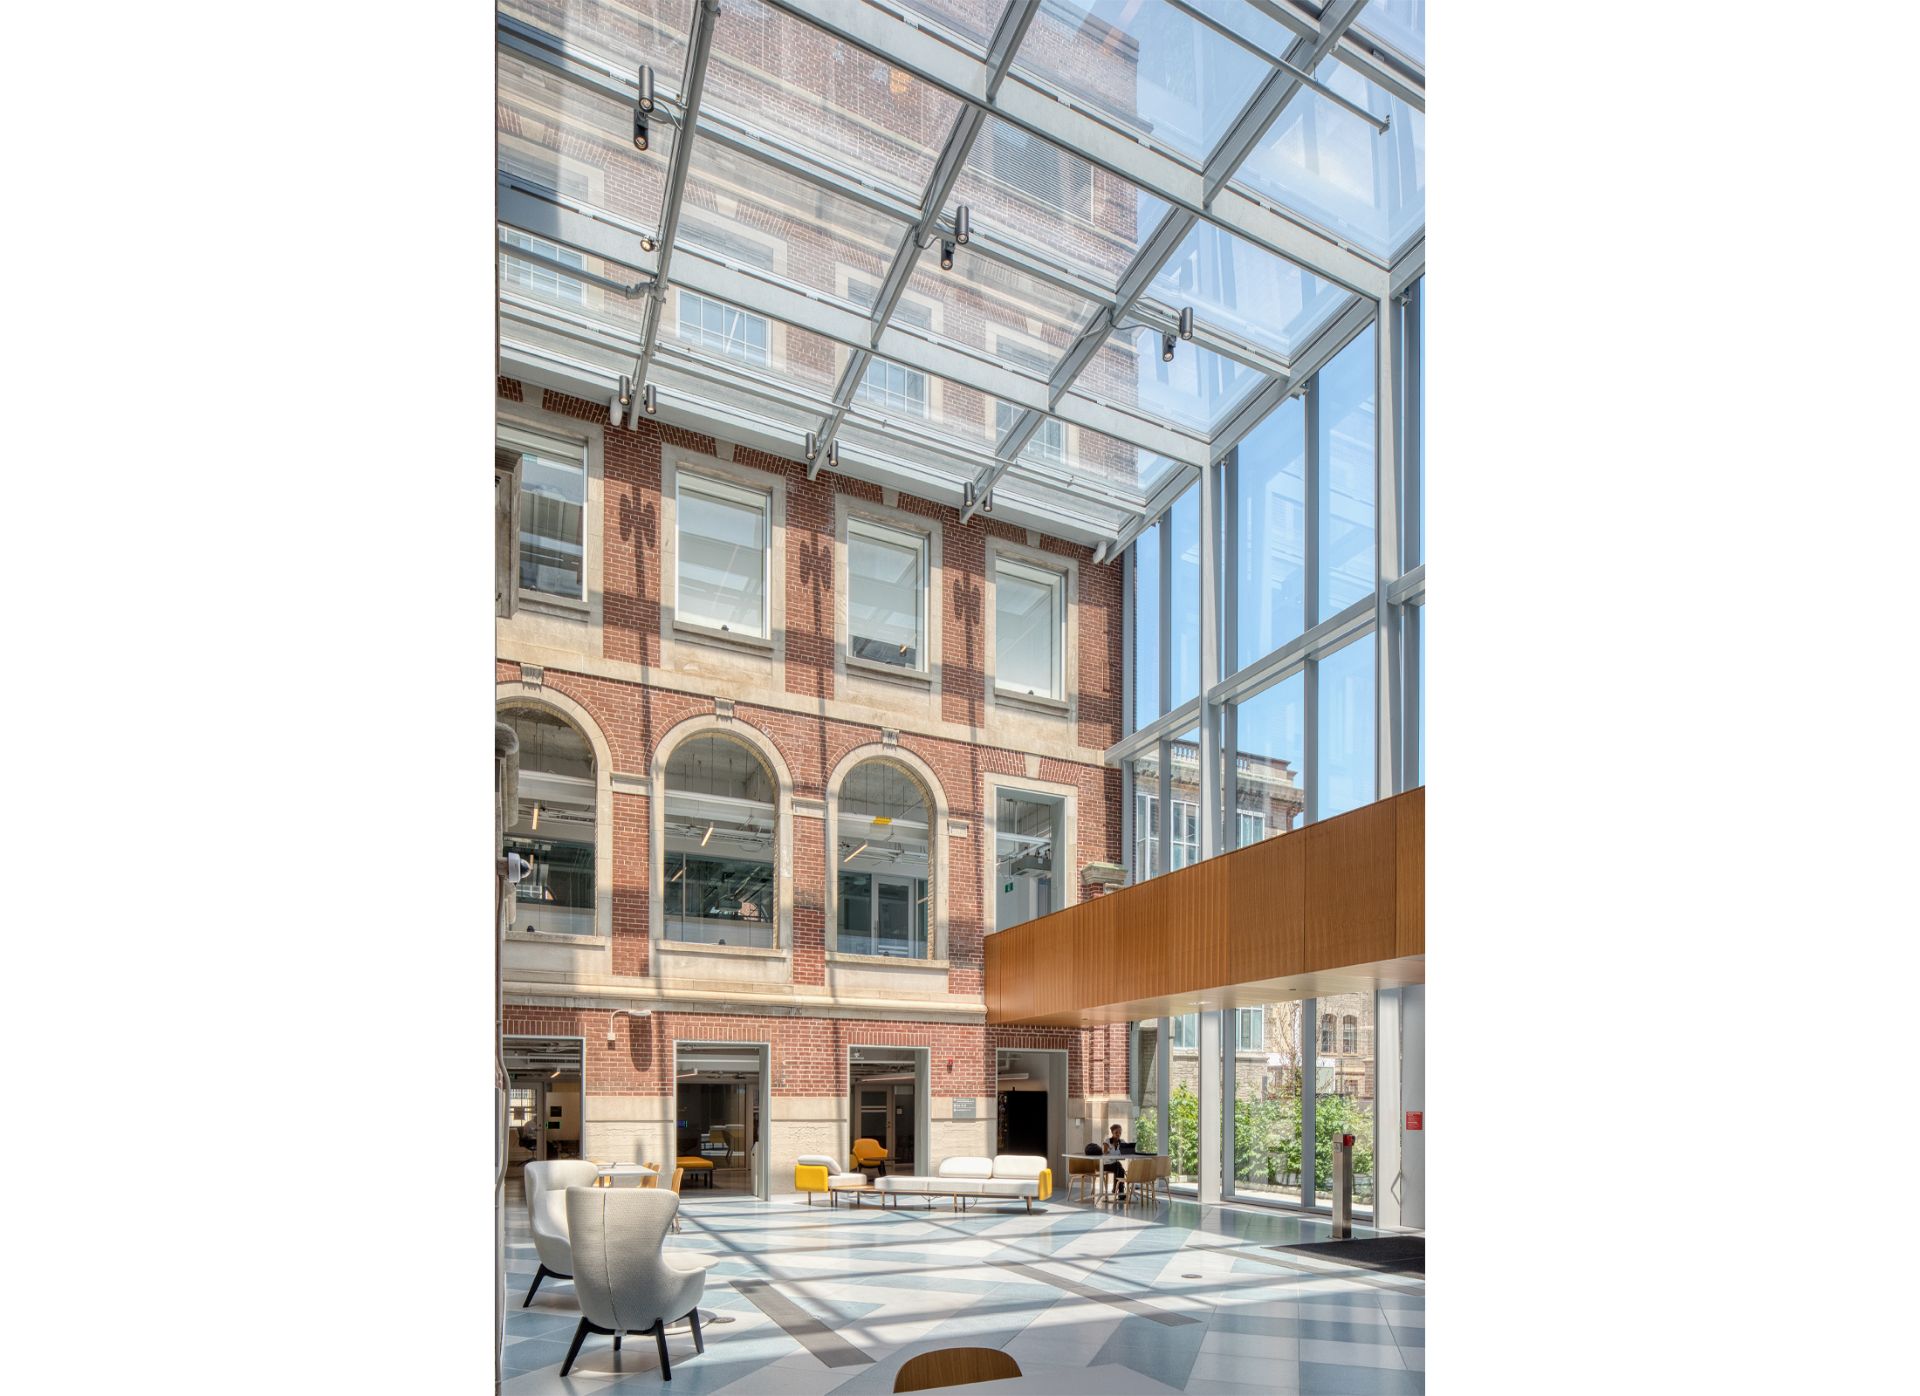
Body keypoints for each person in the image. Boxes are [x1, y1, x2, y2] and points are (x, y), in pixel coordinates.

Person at [1101, 1123, 1129, 1200]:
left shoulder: (1122, 1141)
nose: (1118, 1134)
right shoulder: (1107, 1141)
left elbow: (1127, 1150)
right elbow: (1105, 1152)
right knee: (1120, 1168)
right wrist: (1111, 1147)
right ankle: (1120, 1191)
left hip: (1115, 1164)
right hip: (1106, 1164)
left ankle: (1117, 1190)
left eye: (1120, 1132)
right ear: (1112, 1133)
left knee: (1119, 1168)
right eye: (1116, 1132)